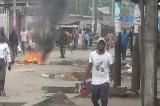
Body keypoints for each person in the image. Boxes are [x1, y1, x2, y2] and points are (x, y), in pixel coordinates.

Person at [83, 37, 114, 106]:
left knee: (104, 99)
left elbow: (111, 68)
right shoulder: (92, 54)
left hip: (105, 80)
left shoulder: (108, 55)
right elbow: (89, 66)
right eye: (100, 43)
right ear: (97, 44)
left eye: (103, 44)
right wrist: (84, 78)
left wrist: (114, 80)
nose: (101, 45)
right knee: (94, 99)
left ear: (105, 45)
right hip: (95, 80)